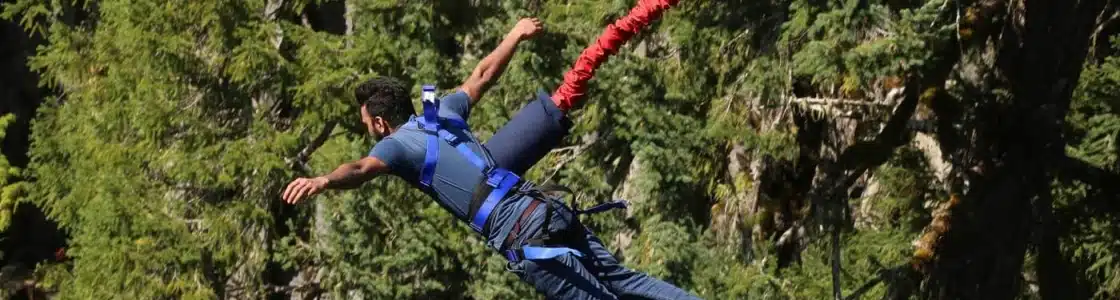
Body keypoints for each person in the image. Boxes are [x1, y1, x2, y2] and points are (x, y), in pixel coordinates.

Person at [282, 2, 698, 299]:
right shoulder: (440, 111)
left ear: (378, 121)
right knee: (625, 279)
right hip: (543, 209)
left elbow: (360, 167)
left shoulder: (395, 146)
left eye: (365, 125)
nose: (368, 133)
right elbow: (482, 75)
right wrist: (514, 34)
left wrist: (323, 180)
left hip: (520, 233)